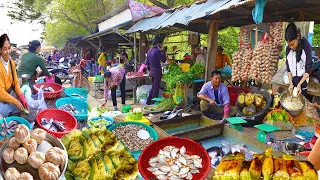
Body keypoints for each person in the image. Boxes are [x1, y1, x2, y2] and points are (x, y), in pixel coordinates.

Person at [0, 34, 28, 117]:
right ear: (0, 50)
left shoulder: (11, 62)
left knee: (26, 93)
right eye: (5, 49)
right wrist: (16, 102)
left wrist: (21, 96)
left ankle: (14, 108)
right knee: (3, 111)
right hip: (2, 99)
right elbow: (1, 93)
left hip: (11, 94)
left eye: (9, 48)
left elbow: (16, 83)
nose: (8, 51)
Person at [285, 22, 313, 97]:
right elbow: (288, 70)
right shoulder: (288, 49)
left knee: (302, 100)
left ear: (298, 36)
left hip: (303, 81)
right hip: (293, 80)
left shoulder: (306, 46)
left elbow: (308, 70)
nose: (290, 47)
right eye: (289, 45)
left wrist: (300, 84)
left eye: (292, 44)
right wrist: (291, 83)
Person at [146, 36, 167, 105]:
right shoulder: (157, 51)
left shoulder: (149, 51)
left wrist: (150, 71)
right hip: (157, 71)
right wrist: (163, 51)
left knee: (153, 87)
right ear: (158, 44)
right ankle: (153, 103)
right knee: (156, 88)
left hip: (152, 72)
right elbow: (163, 60)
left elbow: (147, 63)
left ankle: (148, 101)